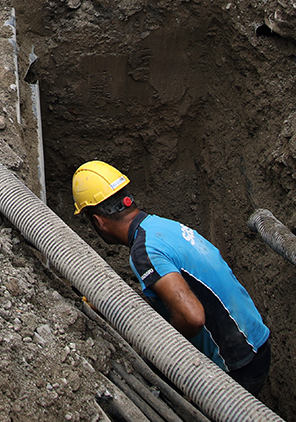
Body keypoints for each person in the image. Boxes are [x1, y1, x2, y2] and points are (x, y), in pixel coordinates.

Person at [73, 162, 272, 395]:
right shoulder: (162, 226)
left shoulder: (144, 251)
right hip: (257, 343)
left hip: (236, 365)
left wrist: (160, 350)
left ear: (98, 221)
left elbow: (192, 317)